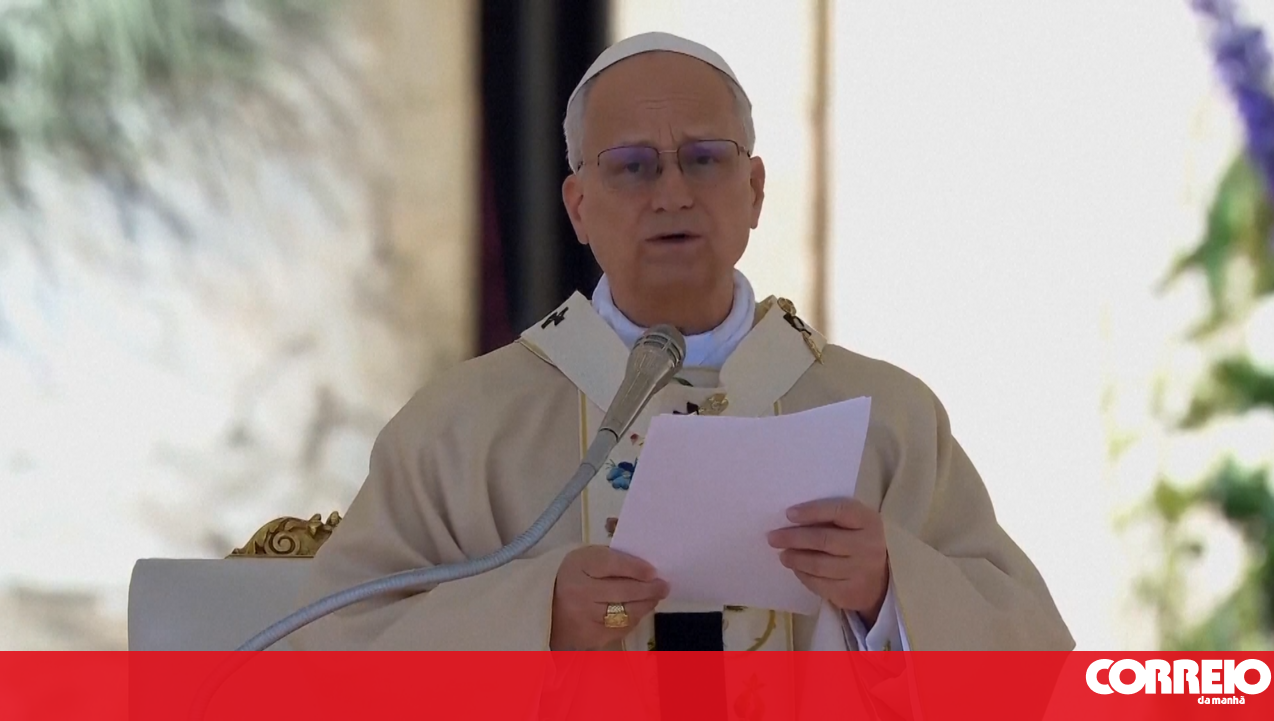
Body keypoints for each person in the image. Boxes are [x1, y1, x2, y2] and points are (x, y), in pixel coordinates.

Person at [290, 31, 1074, 653]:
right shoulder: (461, 429)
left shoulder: (888, 419)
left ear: (755, 190)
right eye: (633, 167)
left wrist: (889, 591)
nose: (672, 193)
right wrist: (536, 618)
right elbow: (323, 657)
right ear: (579, 206)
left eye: (704, 159)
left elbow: (1036, 659)